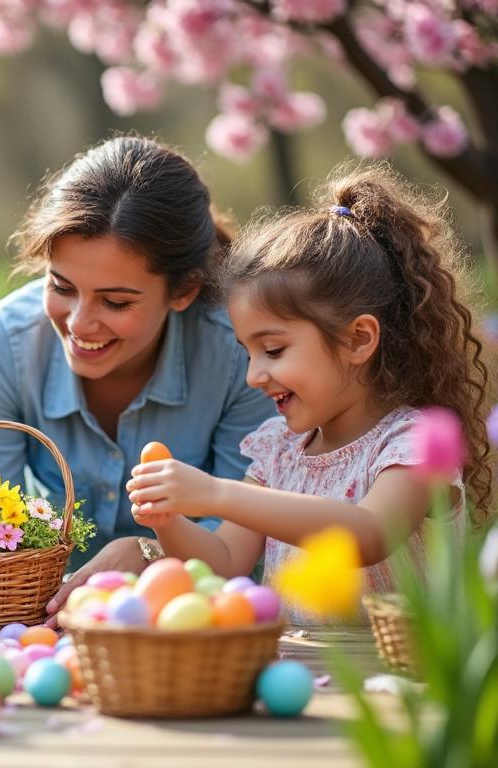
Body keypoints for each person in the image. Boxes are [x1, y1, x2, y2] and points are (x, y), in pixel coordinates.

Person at [127, 164, 492, 622]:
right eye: (248, 353)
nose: (254, 375)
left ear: (359, 339)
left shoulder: (410, 444)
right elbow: (222, 562)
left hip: (397, 683)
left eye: (274, 350)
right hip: (306, 682)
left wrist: (215, 494)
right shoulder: (278, 449)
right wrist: (171, 520)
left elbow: (368, 534)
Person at [0, 136, 276, 623]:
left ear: (184, 290)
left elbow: (241, 535)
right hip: (44, 620)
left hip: (200, 620)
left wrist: (153, 553)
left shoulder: (237, 354)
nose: (80, 324)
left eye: (116, 302)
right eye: (61, 287)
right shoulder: (3, 344)